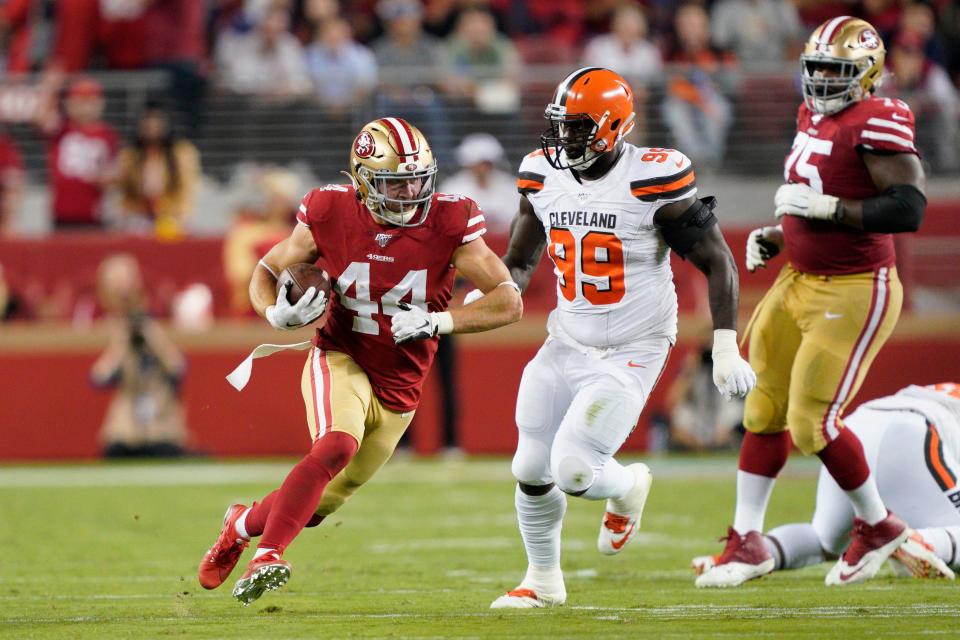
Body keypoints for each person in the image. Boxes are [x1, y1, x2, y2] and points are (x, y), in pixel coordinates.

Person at [197, 117, 522, 605]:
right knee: (335, 446)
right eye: (396, 183)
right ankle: (268, 555)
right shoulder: (329, 210)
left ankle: (240, 524)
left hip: (401, 386)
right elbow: (266, 269)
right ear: (363, 180)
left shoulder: (450, 220)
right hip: (341, 354)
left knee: (322, 500)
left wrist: (442, 322)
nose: (411, 192)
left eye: (418, 179)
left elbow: (508, 300)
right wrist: (274, 313)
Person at [479, 67, 756, 609]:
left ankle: (627, 486)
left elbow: (718, 260)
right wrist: (492, 294)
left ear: (613, 127)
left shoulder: (653, 176)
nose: (564, 139)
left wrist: (725, 345)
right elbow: (518, 260)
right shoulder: (541, 173)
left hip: (635, 344)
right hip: (567, 339)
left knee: (575, 469)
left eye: (578, 128)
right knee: (529, 466)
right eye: (560, 126)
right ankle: (542, 581)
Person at [696, 17, 927, 589]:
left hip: (855, 286)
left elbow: (909, 208)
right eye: (816, 67)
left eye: (836, 70)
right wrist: (782, 232)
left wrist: (829, 214)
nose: (822, 80)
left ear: (867, 74)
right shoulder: (813, 115)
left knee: (810, 422)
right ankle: (746, 539)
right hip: (798, 277)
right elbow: (821, 189)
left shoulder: (877, 119)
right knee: (760, 407)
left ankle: (877, 524)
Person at [694, 383, 960, 581]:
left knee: (825, 539)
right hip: (914, 432)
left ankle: (742, 557)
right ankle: (907, 540)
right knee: (930, 530)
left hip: (856, 427)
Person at [90, 254, 189, 458]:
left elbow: (177, 369)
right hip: (124, 425)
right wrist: (120, 343)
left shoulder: (159, 314)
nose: (122, 291)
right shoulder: (95, 319)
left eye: (126, 282)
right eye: (115, 284)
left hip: (161, 419)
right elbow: (98, 378)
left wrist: (152, 336)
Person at [35, 76, 120, 230]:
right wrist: (50, 87)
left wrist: (107, 177)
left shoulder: (108, 135)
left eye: (90, 101)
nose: (85, 107)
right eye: (80, 101)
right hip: (62, 213)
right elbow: (41, 118)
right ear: (69, 104)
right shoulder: (62, 129)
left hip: (92, 214)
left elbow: (115, 171)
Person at [115, 103, 201, 238]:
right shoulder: (130, 155)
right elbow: (126, 192)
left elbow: (186, 188)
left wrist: (182, 216)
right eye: (148, 125)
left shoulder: (181, 153)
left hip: (171, 216)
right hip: (139, 217)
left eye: (157, 124)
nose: (153, 129)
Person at [439, 133, 516, 233]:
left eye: (487, 163)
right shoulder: (451, 189)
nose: (483, 168)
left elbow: (520, 221)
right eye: (479, 164)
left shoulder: (511, 186)